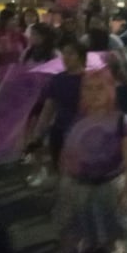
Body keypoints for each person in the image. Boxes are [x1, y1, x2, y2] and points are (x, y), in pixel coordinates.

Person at [56, 64, 127, 252]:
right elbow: (66, 153)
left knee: (111, 247)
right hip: (78, 189)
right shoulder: (77, 119)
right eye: (88, 88)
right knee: (80, 244)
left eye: (100, 88)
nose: (94, 94)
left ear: (110, 89)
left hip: (109, 191)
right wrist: (65, 182)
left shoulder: (121, 121)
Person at [26, 37, 87, 187]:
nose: (65, 58)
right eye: (64, 53)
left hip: (84, 132)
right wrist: (38, 134)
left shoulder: (91, 81)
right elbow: (48, 108)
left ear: (81, 56)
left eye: (71, 54)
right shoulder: (57, 79)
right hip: (60, 130)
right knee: (61, 169)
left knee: (82, 172)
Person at [0, 9, 28, 92]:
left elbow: (28, 56)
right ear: (4, 21)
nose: (16, 22)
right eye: (12, 19)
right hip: (3, 78)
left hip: (19, 78)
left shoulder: (22, 37)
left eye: (16, 19)